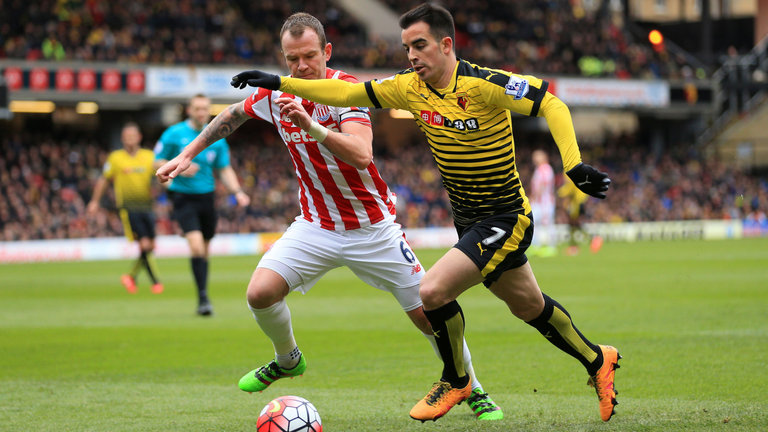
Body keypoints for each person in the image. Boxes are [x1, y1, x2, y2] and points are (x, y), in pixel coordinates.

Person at [228, 2, 620, 423]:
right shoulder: (408, 87)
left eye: (420, 45)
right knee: (529, 306)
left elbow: (552, 104)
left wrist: (573, 165)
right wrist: (279, 82)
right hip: (467, 218)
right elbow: (345, 93)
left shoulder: (486, 84)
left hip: (505, 217)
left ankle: (457, 379)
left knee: (432, 292)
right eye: (406, 48)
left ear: (446, 44)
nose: (412, 55)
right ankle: (598, 360)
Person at [157, 12, 502, 420]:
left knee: (429, 316)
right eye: (292, 59)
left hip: (373, 229)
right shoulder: (275, 94)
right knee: (260, 293)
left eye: (309, 56)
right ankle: (288, 360)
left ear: (327, 51)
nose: (301, 66)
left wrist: (312, 126)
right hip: (316, 226)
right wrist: (186, 154)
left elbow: (362, 154)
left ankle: (473, 388)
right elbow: (232, 115)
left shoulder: (346, 91)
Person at [154, 94, 250, 316]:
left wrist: (237, 192)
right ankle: (203, 297)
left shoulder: (217, 136)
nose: (201, 113)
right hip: (182, 197)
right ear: (189, 110)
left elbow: (224, 169)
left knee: (205, 250)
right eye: (197, 108)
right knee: (196, 246)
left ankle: (203, 296)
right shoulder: (174, 133)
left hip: (207, 197)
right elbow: (156, 161)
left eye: (204, 109)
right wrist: (179, 167)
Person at [88, 122, 163, 294]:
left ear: (139, 137)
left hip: (147, 206)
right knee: (144, 244)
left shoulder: (149, 156)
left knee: (150, 246)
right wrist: (95, 201)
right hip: (128, 207)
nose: (130, 139)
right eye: (127, 136)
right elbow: (104, 180)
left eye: (133, 136)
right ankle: (156, 282)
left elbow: (160, 174)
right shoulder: (115, 158)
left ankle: (130, 277)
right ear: (122, 139)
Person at [558, 175, 603, 255]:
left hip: (578, 201)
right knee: (574, 224)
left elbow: (570, 187)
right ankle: (578, 244)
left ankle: (576, 245)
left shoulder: (569, 170)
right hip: (578, 200)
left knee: (573, 223)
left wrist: (561, 192)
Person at [528, 149, 557, 257]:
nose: (534, 159)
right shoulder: (540, 169)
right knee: (536, 223)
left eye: (537, 156)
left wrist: (534, 197)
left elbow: (542, 185)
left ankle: (549, 247)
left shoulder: (545, 169)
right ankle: (537, 246)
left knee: (546, 223)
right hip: (541, 201)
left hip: (544, 202)